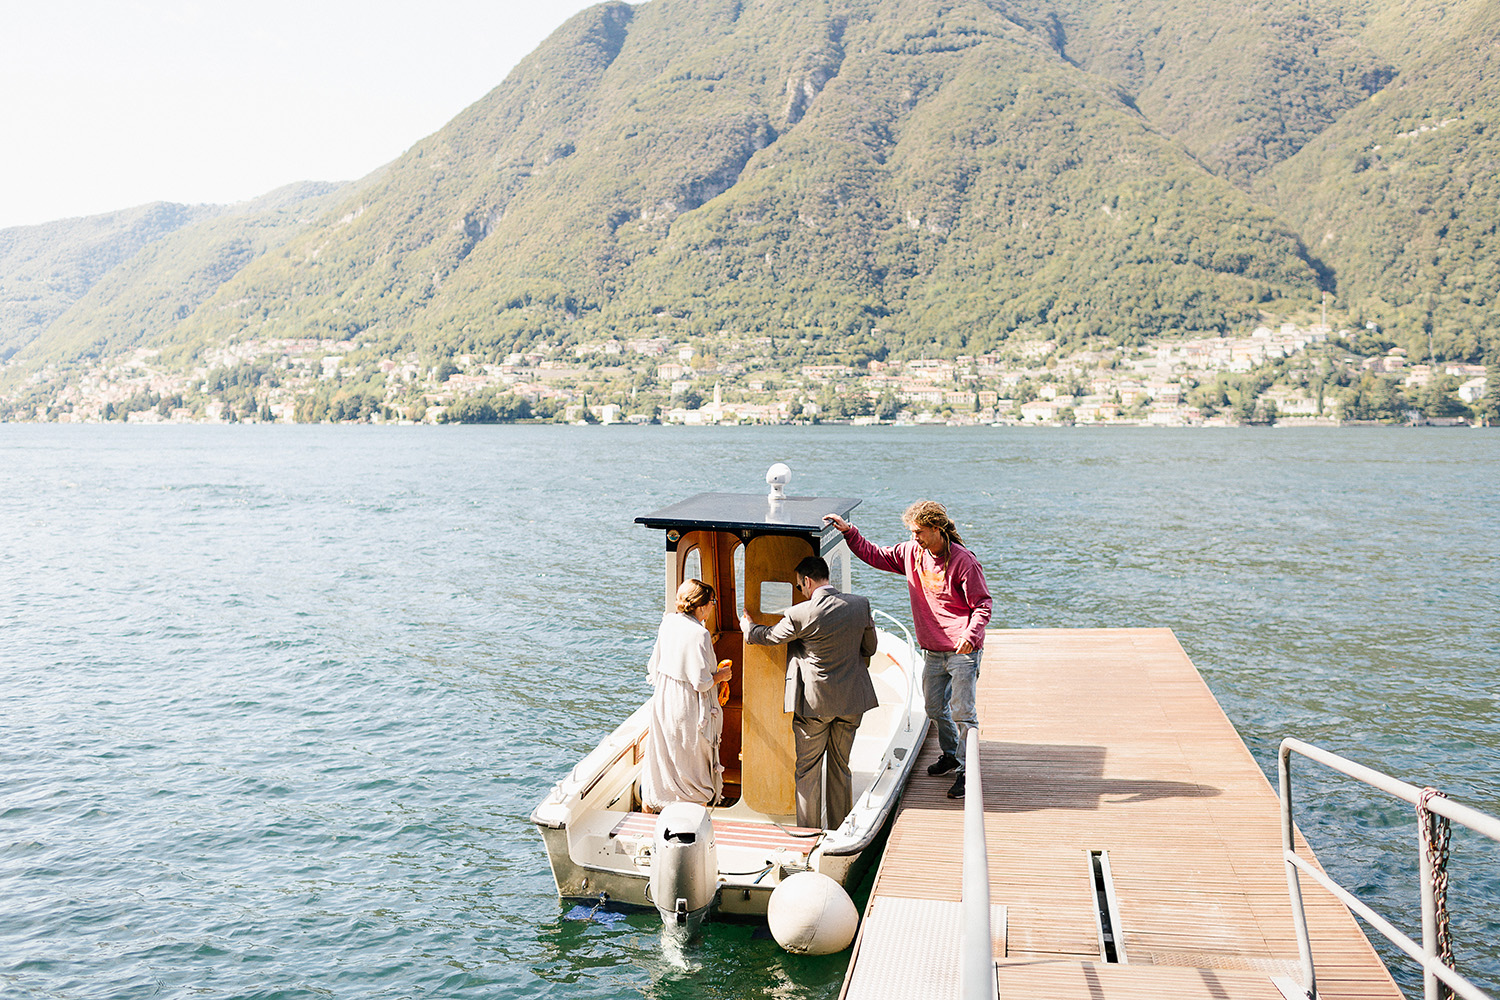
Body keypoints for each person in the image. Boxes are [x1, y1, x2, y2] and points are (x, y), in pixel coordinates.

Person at [823, 501, 991, 799]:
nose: (915, 537)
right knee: (933, 708)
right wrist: (849, 532)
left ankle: (967, 771)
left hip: (963, 651)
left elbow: (982, 605)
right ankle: (951, 754)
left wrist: (971, 634)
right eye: (912, 532)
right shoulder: (911, 553)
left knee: (963, 713)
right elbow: (874, 555)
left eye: (919, 532)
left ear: (937, 529)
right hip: (933, 650)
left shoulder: (964, 561)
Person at [739, 556, 879, 830]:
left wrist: (748, 629)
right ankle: (840, 830)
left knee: (808, 771)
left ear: (807, 581)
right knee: (841, 767)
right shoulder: (860, 605)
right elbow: (870, 648)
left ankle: (809, 835)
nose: (800, 591)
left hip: (814, 705)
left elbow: (769, 637)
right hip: (852, 701)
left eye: (799, 585)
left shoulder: (800, 613)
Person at [640, 579, 733, 812]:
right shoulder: (699, 634)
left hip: (664, 697)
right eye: (712, 602)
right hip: (687, 703)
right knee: (693, 759)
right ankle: (693, 810)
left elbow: (656, 663)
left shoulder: (668, 622)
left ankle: (652, 805)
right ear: (701, 606)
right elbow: (702, 683)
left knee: (664, 753)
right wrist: (722, 675)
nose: (713, 607)